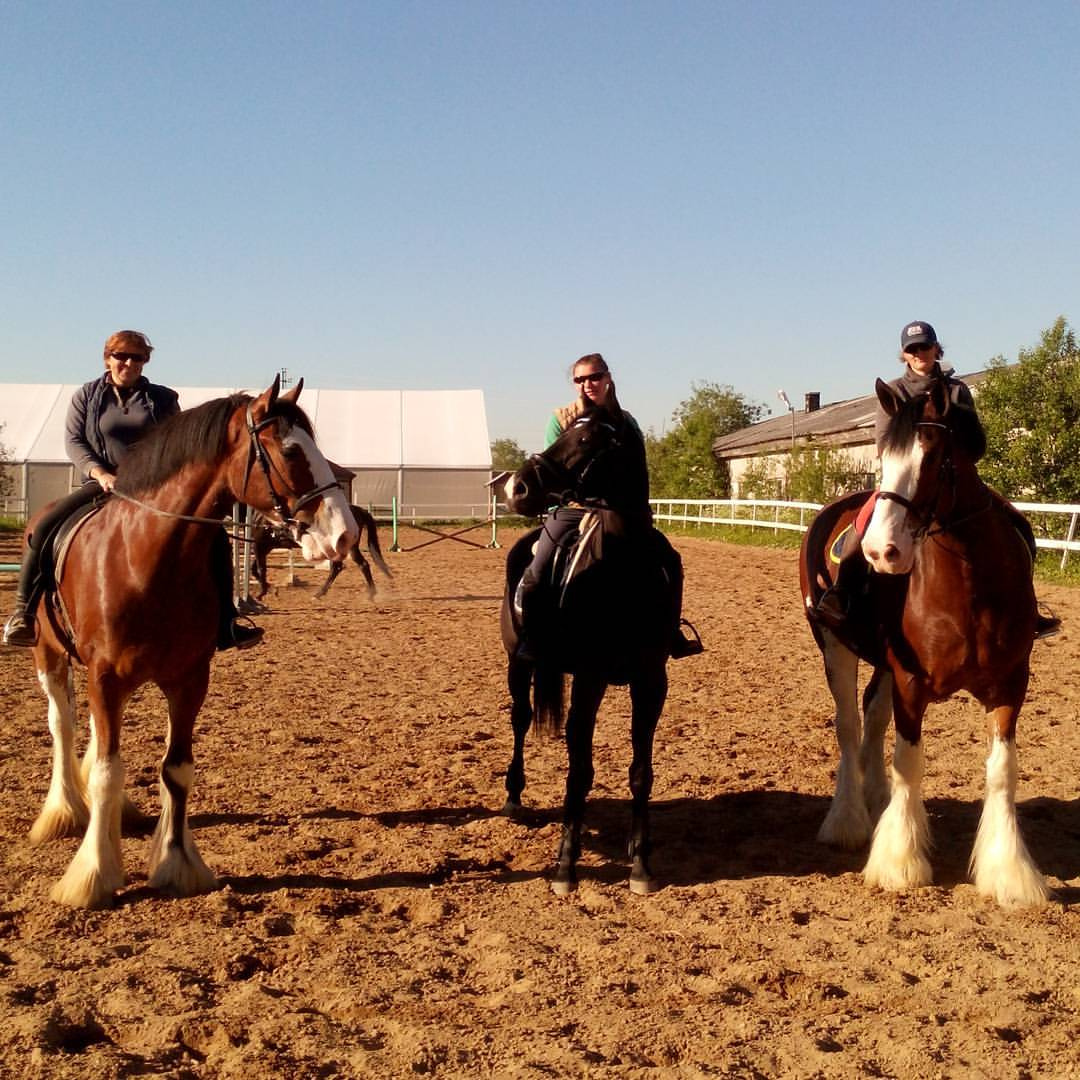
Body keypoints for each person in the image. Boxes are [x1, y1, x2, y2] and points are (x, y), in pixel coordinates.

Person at [2, 330, 263, 650]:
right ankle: (23, 613)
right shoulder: (86, 396)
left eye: (137, 357)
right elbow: (74, 441)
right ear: (107, 358)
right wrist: (99, 473)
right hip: (101, 482)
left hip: (152, 488)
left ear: (145, 361)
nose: (128, 362)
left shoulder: (164, 399)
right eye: (121, 356)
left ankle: (226, 622)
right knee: (43, 526)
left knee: (216, 537)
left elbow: (176, 446)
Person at [813, 320, 1060, 640]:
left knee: (1017, 524)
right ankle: (841, 593)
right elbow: (885, 444)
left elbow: (977, 444)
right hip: (904, 479)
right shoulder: (895, 392)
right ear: (904, 354)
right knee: (863, 524)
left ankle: (1027, 607)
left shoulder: (958, 390)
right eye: (912, 349)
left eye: (924, 347)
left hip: (954, 480)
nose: (919, 354)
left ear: (935, 348)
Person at [515, 352, 703, 660]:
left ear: (607, 378)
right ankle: (532, 636)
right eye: (580, 379)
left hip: (615, 510)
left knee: (669, 559)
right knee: (540, 565)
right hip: (572, 508)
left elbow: (636, 469)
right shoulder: (561, 418)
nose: (588, 384)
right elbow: (554, 470)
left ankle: (671, 631)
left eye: (594, 377)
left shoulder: (627, 421)